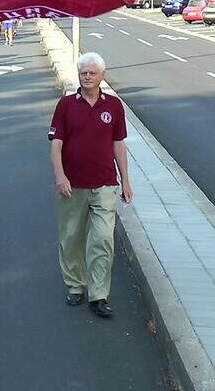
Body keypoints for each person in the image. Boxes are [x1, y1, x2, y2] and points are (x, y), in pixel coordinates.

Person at [48, 52, 132, 319]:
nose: (87, 77)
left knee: (103, 240)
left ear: (102, 76)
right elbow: (56, 144)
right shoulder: (66, 105)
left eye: (92, 73)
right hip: (72, 185)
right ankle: (75, 285)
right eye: (83, 73)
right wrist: (60, 176)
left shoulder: (114, 106)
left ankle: (99, 295)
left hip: (105, 183)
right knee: (71, 238)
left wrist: (126, 181)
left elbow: (118, 144)